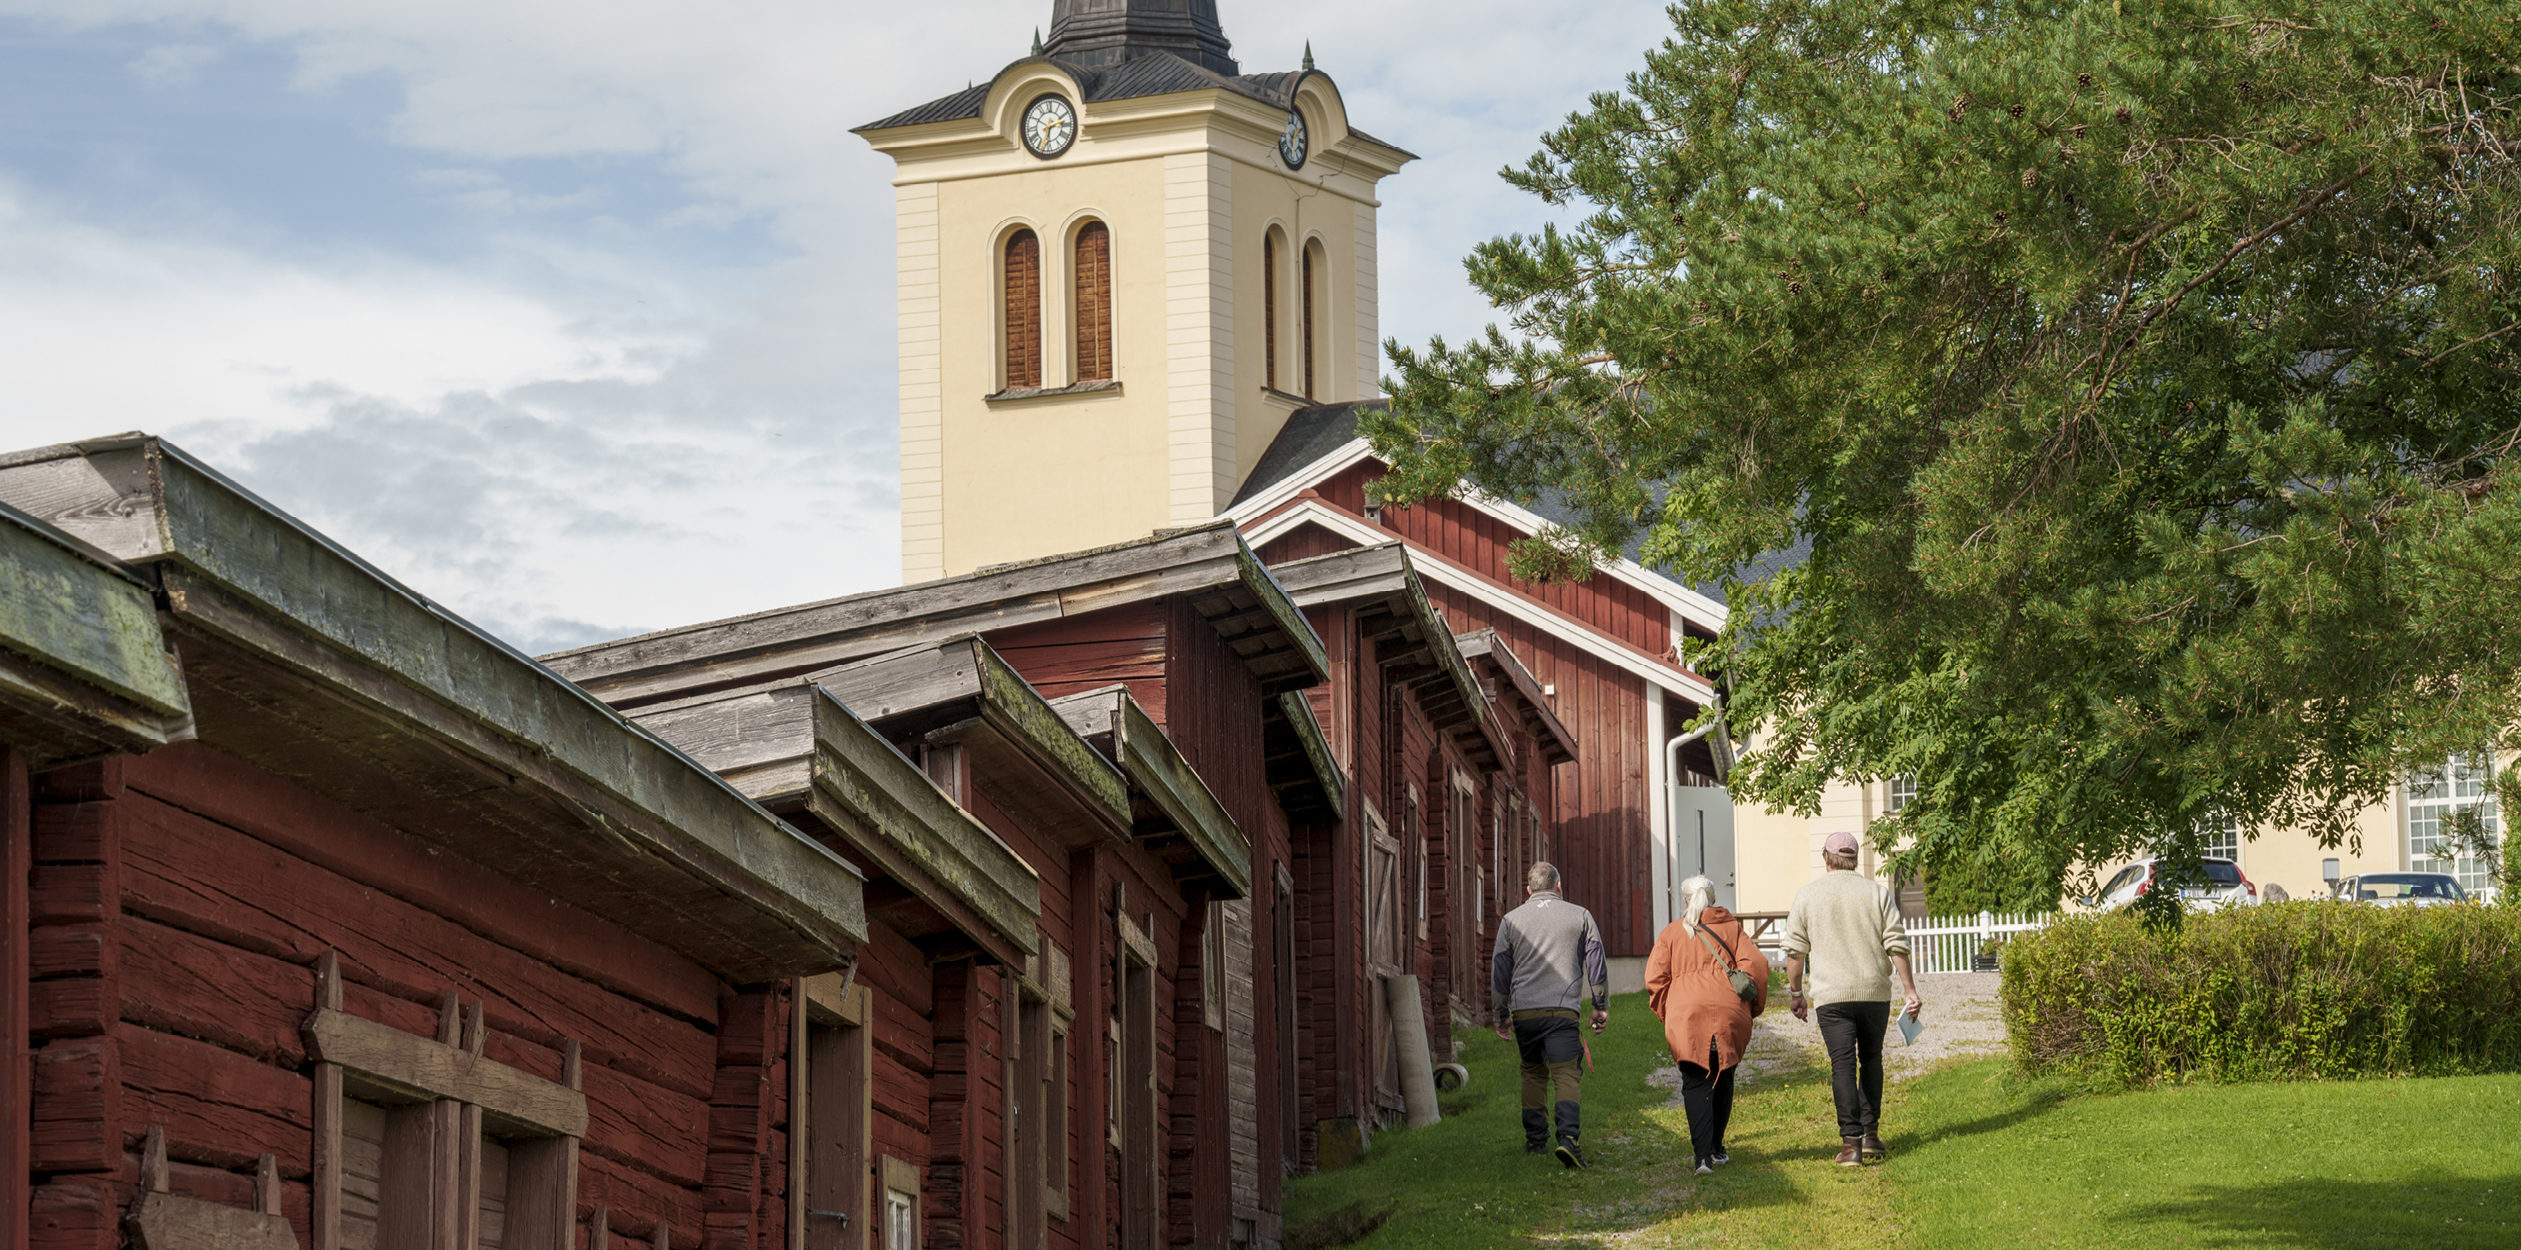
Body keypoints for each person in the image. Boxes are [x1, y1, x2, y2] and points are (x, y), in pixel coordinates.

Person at [1781, 831, 1921, 1166]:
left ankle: (1851, 1146)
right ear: (1855, 860)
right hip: (1874, 994)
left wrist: (1797, 993)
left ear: (1825, 858)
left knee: (1842, 1065)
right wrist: (1910, 991)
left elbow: (1795, 953)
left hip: (1831, 997)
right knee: (1871, 1060)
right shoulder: (1877, 893)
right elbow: (1897, 944)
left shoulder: (1807, 895)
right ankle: (1870, 1135)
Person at [1644, 874, 1772, 1175]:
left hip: (1686, 1014)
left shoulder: (1672, 933)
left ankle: (1702, 1158)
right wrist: (1752, 1006)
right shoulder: (1733, 929)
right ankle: (1716, 1148)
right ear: (1713, 899)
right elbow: (1757, 967)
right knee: (1723, 1077)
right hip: (1730, 1011)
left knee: (1695, 1082)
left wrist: (1668, 1010)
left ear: (1685, 900)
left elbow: (1655, 978)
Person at [1491, 861, 1609, 1169]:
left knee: (1532, 1072)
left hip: (1524, 1012)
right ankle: (1568, 1139)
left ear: (1528, 890)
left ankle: (1535, 1141)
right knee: (1565, 1072)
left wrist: (1500, 1014)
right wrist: (1600, 1005)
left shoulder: (1510, 920)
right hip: (1562, 1010)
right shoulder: (1580, 915)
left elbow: (1500, 970)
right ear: (1558, 885)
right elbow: (1596, 961)